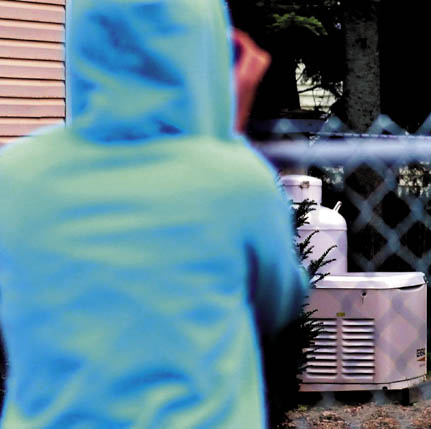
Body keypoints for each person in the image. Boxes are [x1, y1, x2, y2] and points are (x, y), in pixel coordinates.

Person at [0, 0, 307, 427]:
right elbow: (279, 302)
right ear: (202, 50)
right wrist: (223, 136)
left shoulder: (14, 175)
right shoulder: (235, 179)